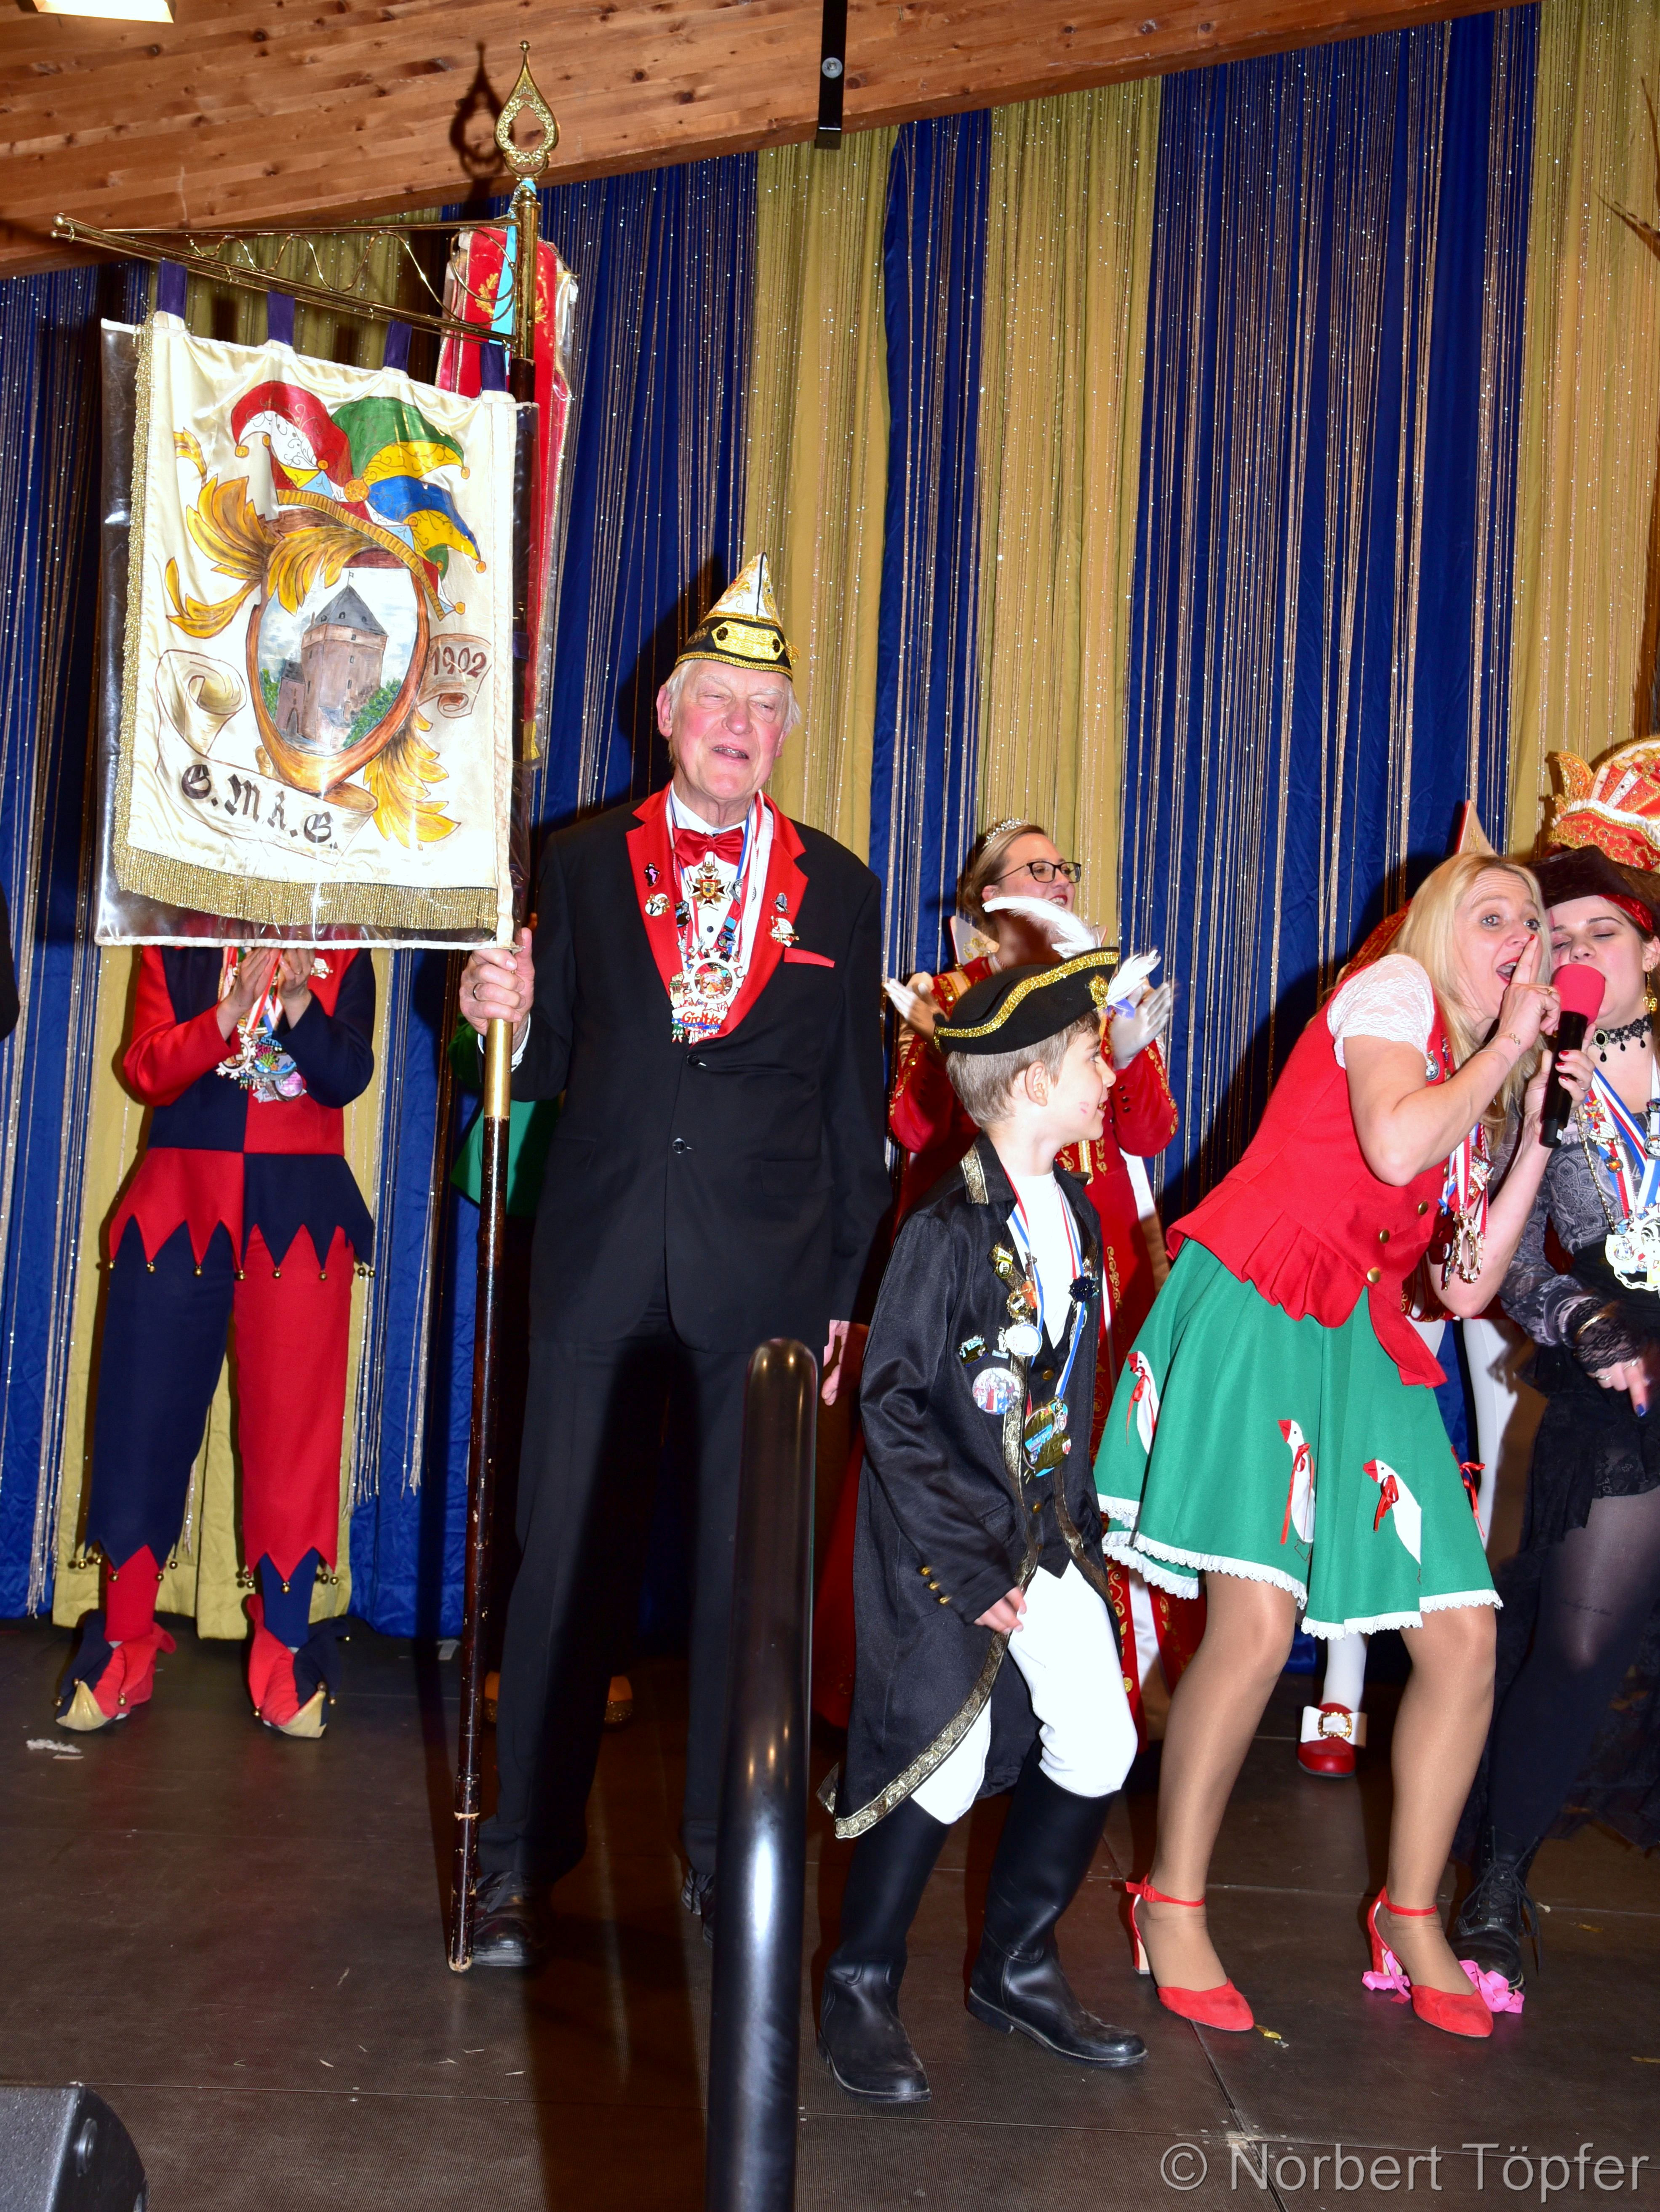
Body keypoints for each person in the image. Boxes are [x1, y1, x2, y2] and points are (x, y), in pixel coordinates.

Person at [458, 557, 889, 1964]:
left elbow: (853, 1111)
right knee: (558, 1568)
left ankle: (726, 1855)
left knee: (745, 1585)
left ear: (787, 731)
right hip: (597, 1255)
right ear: (665, 713)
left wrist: (845, 1292)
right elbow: (540, 1066)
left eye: (764, 707)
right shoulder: (580, 861)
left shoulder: (840, 889)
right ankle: (517, 1859)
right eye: (718, 700)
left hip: (765, 1275)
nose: (739, 726)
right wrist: (493, 1010)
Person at [1095, 853, 1590, 2040]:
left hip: (1362, 1334)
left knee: (1462, 1635)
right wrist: (1498, 1056)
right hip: (1266, 1299)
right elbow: (1389, 1143)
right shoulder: (1392, 995)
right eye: (1493, 914)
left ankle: (1408, 1912)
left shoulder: (1476, 1078)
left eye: (1533, 922)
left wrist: (1533, 1130)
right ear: (1436, 928)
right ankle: (1169, 1896)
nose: (1521, 936)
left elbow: (1462, 1287)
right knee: (1256, 1624)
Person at [819, 951, 1144, 2104]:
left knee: (1100, 1738)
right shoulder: (945, 1228)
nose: (1107, 1075)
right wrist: (964, 1561)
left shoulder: (1077, 1215)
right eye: (1090, 1058)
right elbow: (892, 1403)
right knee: (942, 1765)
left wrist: (1080, 1526)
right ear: (1030, 1083)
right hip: (941, 1549)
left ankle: (1015, 1963)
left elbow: (1059, 1391)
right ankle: (859, 1980)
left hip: (1045, 1536)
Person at [812, 818, 1199, 1740]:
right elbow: (912, 1126)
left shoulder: (1104, 995)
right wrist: (949, 1043)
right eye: (1036, 867)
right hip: (985, 1255)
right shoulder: (953, 993)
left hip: (1095, 1261)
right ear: (989, 895)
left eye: (1064, 866)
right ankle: (941, 1674)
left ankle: (1118, 1676)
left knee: (1100, 1450)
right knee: (966, 1433)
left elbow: (1150, 1131)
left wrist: (1124, 1052)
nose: (1058, 879)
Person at [57, 943, 375, 1737]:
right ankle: (123, 1639)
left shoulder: (345, 946)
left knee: (291, 1428)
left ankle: (285, 1643)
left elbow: (347, 1076)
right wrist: (227, 1012)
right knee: (143, 1420)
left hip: (301, 1208)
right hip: (178, 1200)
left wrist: (297, 1003)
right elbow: (146, 1069)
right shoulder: (176, 936)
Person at [1455, 835, 1660, 1991]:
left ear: (1648, 949)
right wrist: (1582, 1322)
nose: (1581, 951)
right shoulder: (1533, 1079)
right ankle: (1494, 1882)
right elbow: (1510, 1258)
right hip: (1613, 1369)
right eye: (1561, 935)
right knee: (1577, 1641)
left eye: (1603, 933)